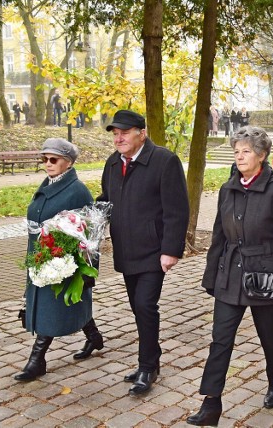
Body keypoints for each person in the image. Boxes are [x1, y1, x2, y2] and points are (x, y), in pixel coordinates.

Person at [187, 126, 273, 426]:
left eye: (246, 151)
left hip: (265, 278)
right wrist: (211, 277)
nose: (240, 156)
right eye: (236, 151)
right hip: (230, 276)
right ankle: (211, 404)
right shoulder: (228, 188)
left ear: (261, 155)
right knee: (220, 340)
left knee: (270, 337)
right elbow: (219, 237)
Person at [98, 110, 189, 396]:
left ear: (142, 133)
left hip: (153, 250)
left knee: (146, 305)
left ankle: (147, 366)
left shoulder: (164, 161)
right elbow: (106, 200)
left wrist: (171, 250)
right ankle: (151, 357)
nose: (119, 138)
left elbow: (177, 209)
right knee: (138, 307)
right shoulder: (113, 163)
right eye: (115, 133)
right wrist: (85, 218)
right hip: (126, 249)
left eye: (124, 132)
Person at [15, 138, 103, 382]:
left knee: (51, 306)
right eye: (44, 159)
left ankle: (37, 360)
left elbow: (90, 235)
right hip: (40, 255)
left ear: (69, 163)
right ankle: (94, 337)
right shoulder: (49, 184)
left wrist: (88, 270)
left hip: (62, 260)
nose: (48, 164)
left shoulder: (77, 191)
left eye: (54, 159)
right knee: (67, 302)